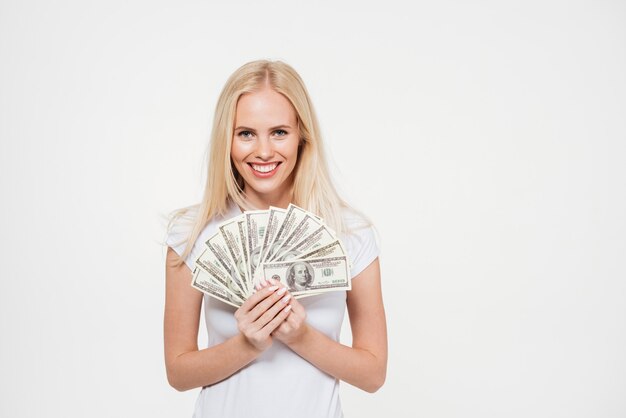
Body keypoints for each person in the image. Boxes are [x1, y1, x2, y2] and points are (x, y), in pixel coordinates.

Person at [164, 60, 387, 418]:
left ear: (302, 135)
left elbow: (373, 373)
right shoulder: (191, 232)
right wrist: (248, 345)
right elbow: (178, 372)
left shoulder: (351, 233)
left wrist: (300, 336)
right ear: (227, 139)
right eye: (246, 133)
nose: (264, 151)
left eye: (279, 132)